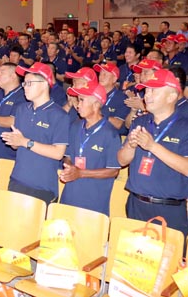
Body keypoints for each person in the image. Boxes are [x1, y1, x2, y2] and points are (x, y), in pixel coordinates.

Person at [118, 69, 188, 236]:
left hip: (169, 210)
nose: (146, 95)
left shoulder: (184, 127)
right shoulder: (140, 121)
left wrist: (152, 146)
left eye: (153, 90)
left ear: (171, 96)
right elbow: (121, 161)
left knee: (167, 254)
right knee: (132, 253)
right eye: (146, 90)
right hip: (136, 204)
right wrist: (130, 146)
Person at [1, 62, 70, 203]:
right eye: (24, 83)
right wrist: (14, 141)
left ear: (44, 84)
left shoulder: (59, 115)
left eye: (29, 83)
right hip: (17, 179)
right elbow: (17, 145)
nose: (24, 87)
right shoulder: (22, 109)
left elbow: (58, 153)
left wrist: (25, 142)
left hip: (42, 186)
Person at [59, 82, 121, 216]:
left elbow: (113, 171)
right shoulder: (75, 126)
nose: (78, 105)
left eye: (82, 100)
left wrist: (81, 173)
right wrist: (69, 167)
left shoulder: (110, 134)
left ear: (96, 104)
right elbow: (68, 156)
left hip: (93, 202)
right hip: (69, 196)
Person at [0, 63, 27, 180]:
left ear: (13, 76)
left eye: (2, 72)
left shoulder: (22, 95)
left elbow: (14, 121)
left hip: (6, 155)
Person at [94, 63, 128, 132]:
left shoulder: (122, 98)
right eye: (100, 74)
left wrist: (98, 114)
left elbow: (119, 124)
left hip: (111, 135)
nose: (101, 77)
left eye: (105, 74)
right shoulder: (93, 94)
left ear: (114, 79)